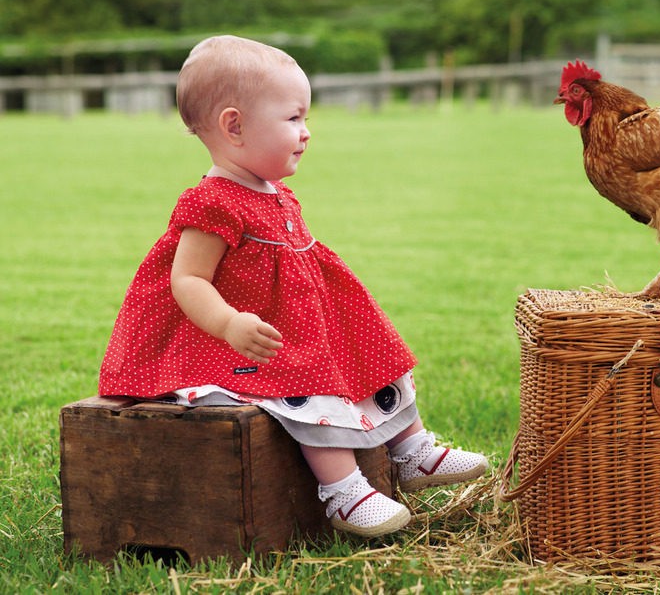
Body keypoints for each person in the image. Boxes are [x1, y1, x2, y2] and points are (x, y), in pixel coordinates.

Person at [99, 35, 487, 538]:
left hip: (294, 327)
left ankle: (411, 451)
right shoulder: (211, 201)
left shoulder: (275, 192)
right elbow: (187, 279)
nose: (306, 133)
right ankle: (343, 493)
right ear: (234, 126)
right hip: (234, 344)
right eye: (293, 119)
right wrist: (229, 322)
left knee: (372, 355)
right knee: (305, 389)